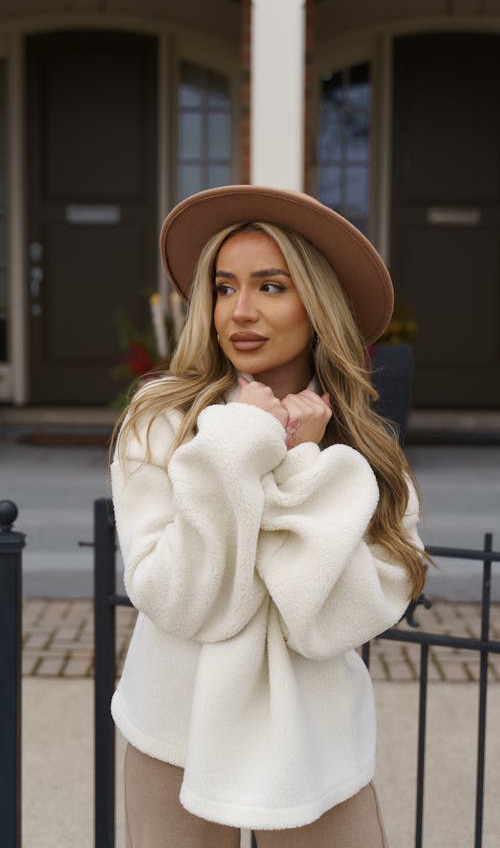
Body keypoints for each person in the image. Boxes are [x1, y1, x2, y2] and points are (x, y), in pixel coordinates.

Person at [110, 185, 429, 848]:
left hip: (314, 741)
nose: (240, 311)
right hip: (173, 726)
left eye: (271, 286)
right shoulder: (161, 420)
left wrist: (307, 464)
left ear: (319, 303)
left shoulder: (364, 452)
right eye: (225, 287)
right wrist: (235, 443)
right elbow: (178, 600)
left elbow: (330, 622)